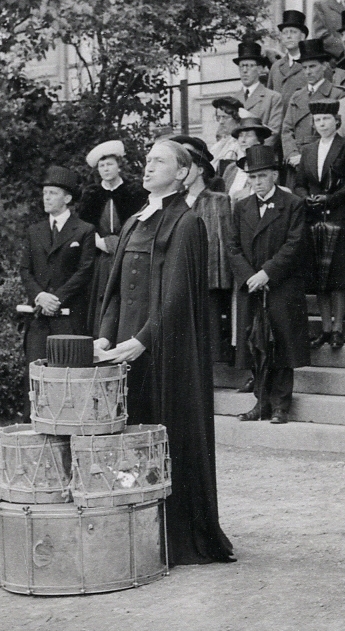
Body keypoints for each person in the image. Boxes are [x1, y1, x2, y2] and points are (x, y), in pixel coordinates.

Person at [96, 140, 235, 566]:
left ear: (182, 172)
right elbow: (115, 288)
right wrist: (104, 336)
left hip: (163, 353)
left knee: (164, 438)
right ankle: (132, 530)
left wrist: (144, 340)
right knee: (128, 441)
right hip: (123, 350)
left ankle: (173, 536)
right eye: (148, 160)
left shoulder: (188, 222)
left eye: (159, 160)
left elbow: (177, 298)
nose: (148, 165)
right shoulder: (138, 219)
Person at [227, 145, 310, 424]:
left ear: (275, 175)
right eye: (252, 177)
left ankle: (280, 406)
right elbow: (232, 246)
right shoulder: (241, 207)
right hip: (251, 287)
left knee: (281, 343)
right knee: (255, 343)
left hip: (281, 286)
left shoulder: (293, 204)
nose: (257, 182)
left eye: (262, 176)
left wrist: (267, 273)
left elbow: (294, 245)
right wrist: (249, 276)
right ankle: (260, 403)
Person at [18, 166, 97, 412]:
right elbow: (25, 269)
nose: (47, 198)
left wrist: (57, 298)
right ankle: (36, 427)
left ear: (67, 198)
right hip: (40, 317)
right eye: (45, 193)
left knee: (68, 375)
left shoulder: (84, 230)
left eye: (52, 193)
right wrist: (40, 297)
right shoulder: (34, 231)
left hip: (69, 318)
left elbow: (85, 270)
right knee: (36, 376)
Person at [294, 101, 345, 350]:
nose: (322, 124)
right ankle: (324, 328)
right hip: (314, 217)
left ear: (336, 121)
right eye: (318, 120)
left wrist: (330, 198)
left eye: (326, 119)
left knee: (338, 275)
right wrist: (305, 198)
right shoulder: (309, 149)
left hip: (338, 215)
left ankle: (338, 329)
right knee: (320, 276)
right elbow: (300, 182)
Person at [175, 135, 236, 373]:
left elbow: (225, 239)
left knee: (209, 327)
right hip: (179, 275)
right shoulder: (175, 202)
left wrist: (221, 277)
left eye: (187, 167)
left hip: (208, 276)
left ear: (200, 170)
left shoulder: (218, 201)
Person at [78, 140, 146, 333]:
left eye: (110, 164)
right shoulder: (91, 195)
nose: (106, 169)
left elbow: (140, 226)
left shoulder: (134, 192)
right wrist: (100, 243)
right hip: (100, 258)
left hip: (128, 254)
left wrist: (115, 244)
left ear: (119, 166)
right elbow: (83, 228)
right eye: (102, 166)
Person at [281, 38, 345, 169]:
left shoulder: (336, 94)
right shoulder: (296, 96)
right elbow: (286, 129)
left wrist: (305, 158)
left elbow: (338, 133)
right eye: (304, 68)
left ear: (323, 66)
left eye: (312, 66)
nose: (308, 72)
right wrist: (292, 154)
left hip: (322, 160)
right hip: (295, 162)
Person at [234, 39, 284, 149]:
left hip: (262, 157)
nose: (245, 70)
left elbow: (274, 133)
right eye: (242, 66)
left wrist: (256, 154)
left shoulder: (273, 98)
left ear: (260, 69)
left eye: (250, 66)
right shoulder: (234, 99)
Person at [223, 113, 273, 202]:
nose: (243, 140)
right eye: (241, 136)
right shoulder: (231, 169)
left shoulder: (267, 167)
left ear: (259, 140)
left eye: (248, 135)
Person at [268, 10, 310, 101]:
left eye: (293, 32)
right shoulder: (276, 67)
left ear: (302, 36)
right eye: (285, 33)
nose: (288, 36)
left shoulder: (311, 64)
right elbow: (269, 100)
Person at [210, 97, 245, 175]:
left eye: (225, 117)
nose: (221, 122)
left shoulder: (242, 143)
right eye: (219, 117)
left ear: (236, 117)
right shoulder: (219, 144)